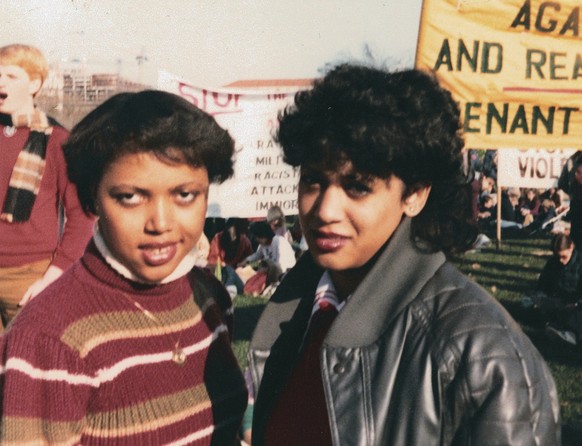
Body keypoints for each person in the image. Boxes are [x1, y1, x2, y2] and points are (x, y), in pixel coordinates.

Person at [247, 64, 560, 445]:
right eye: (313, 180)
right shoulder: (295, 312)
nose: (326, 210)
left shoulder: (484, 356)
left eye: (358, 186)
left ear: (414, 195)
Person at [0, 90, 247, 444]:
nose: (160, 223)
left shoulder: (209, 296)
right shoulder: (47, 338)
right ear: (92, 199)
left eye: (185, 195)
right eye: (130, 197)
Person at [0, 44, 94, 330]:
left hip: (29, 275)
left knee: (28, 367)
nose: (0, 82)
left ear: (35, 84)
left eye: (11, 76)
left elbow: (82, 216)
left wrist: (53, 276)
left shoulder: (58, 140)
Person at [239, 221, 296, 296]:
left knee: (266, 272)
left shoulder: (279, 241)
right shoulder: (263, 245)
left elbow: (281, 266)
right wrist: (246, 260)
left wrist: (266, 268)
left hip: (283, 273)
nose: (256, 240)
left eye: (257, 237)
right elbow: (257, 255)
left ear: (263, 235)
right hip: (268, 271)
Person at [208, 217, 254, 297]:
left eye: (234, 242)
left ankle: (227, 290)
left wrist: (242, 265)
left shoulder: (244, 241)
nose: (232, 244)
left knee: (231, 270)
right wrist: (221, 265)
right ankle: (229, 289)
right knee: (228, 269)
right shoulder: (217, 238)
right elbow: (212, 261)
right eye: (230, 242)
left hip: (239, 276)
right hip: (223, 274)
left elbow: (251, 259)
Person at [558, 151, 582, 247]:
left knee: (576, 235)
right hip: (576, 201)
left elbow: (562, 183)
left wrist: (572, 193)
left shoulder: (571, 160)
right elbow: (562, 183)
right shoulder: (571, 161)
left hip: (576, 201)